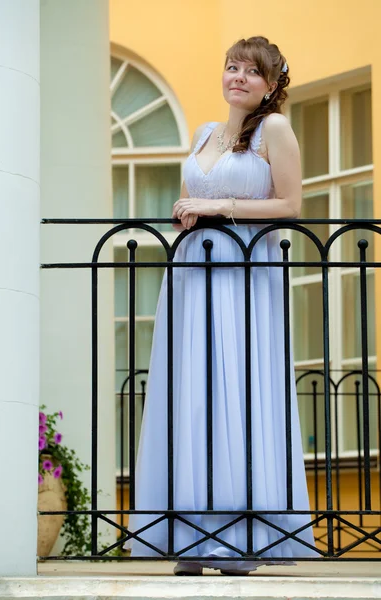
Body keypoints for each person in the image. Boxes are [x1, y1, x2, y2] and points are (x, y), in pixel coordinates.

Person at [124, 36, 318, 575]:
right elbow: (199, 189)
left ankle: (240, 535)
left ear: (272, 84)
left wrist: (217, 205)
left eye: (251, 72)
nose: (238, 78)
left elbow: (292, 205)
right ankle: (189, 533)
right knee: (194, 390)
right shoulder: (206, 133)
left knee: (240, 385)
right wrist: (190, 210)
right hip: (193, 273)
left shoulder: (274, 129)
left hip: (243, 275)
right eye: (231, 67)